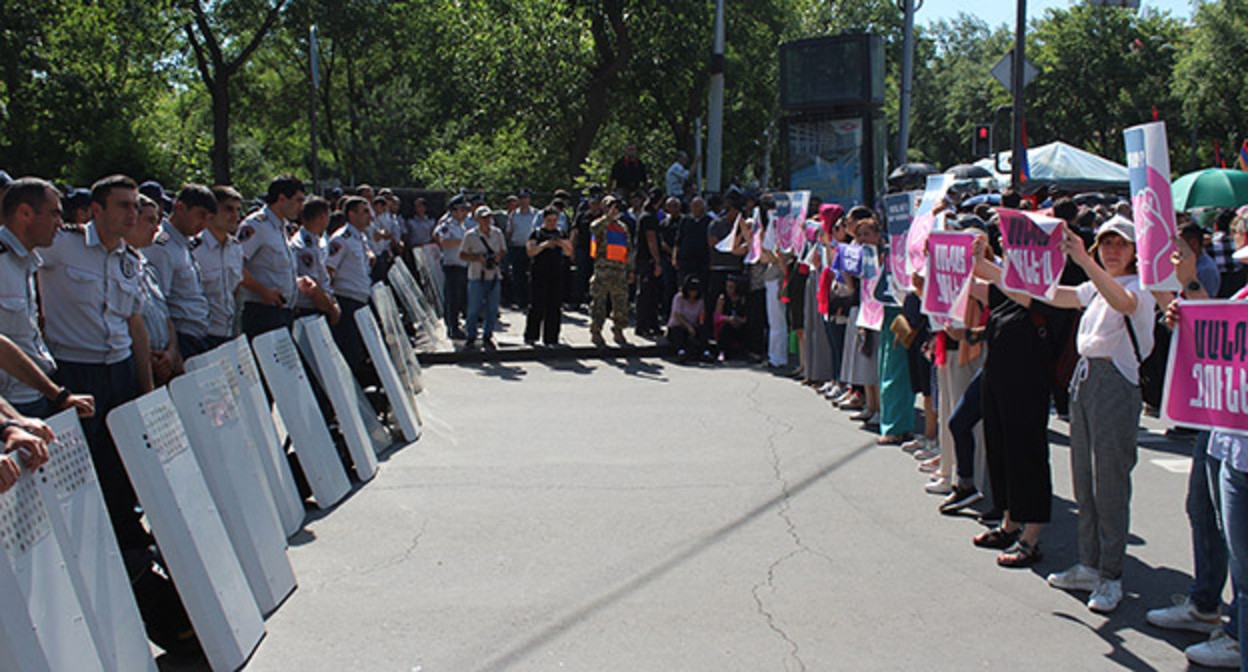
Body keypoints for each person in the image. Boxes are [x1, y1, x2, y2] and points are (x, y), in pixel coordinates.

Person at [40, 174, 197, 653]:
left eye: (136, 206)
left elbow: (135, 327)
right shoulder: (61, 248)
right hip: (75, 376)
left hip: (119, 375)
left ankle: (131, 566)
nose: (133, 214)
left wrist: (146, 394)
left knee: (121, 477)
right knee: (83, 486)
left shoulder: (132, 262)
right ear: (96, 210)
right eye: (124, 206)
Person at [1040, 216, 1154, 612]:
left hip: (1115, 386)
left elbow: (1123, 303)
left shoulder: (1140, 287)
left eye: (1120, 244)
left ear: (1136, 250)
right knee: (1083, 479)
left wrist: (1085, 262)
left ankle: (1112, 574)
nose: (1111, 250)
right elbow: (1059, 295)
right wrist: (1002, 268)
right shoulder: (1095, 285)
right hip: (1085, 381)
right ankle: (1089, 563)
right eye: (1105, 243)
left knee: (1110, 482)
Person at [970, 217, 1056, 569]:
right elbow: (980, 289)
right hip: (999, 375)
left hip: (1027, 379)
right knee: (1000, 446)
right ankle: (1010, 521)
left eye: (1013, 241)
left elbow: (1023, 294)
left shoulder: (1047, 282)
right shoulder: (1007, 279)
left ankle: (1031, 536)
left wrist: (985, 267)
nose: (1007, 246)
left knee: (1026, 451)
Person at [0, 177, 94, 417]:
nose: (61, 224)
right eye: (54, 214)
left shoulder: (27, 261)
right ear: (25, 214)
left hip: (35, 393)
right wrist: (57, 394)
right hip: (11, 406)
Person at [144, 184, 215, 358]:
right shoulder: (162, 246)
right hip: (181, 337)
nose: (204, 224)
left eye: (209, 218)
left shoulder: (183, 243)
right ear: (180, 207)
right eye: (200, 215)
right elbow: (160, 304)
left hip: (196, 335)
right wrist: (172, 350)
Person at [238, 175, 304, 337]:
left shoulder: (281, 227)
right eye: (298, 200)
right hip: (262, 311)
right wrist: (264, 291)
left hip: (284, 310)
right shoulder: (257, 225)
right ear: (282, 198)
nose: (301, 207)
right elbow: (235, 265)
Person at [129, 194, 182, 387]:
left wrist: (172, 352)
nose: (156, 228)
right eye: (150, 220)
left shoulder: (148, 268)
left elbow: (166, 318)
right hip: (138, 367)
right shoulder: (117, 268)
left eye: (157, 221)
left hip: (163, 362)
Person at [326, 197, 377, 381]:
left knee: (361, 351)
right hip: (347, 301)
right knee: (350, 351)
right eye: (364, 211)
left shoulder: (359, 237)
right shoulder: (342, 238)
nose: (369, 216)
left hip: (361, 300)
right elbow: (329, 270)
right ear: (351, 214)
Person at [190, 186, 245, 350]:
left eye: (238, 210)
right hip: (202, 336)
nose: (235, 216)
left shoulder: (235, 248)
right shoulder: (195, 249)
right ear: (211, 213)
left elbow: (235, 290)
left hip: (228, 334)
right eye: (228, 209)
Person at [588, 195, 633, 347]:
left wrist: (630, 270)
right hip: (602, 270)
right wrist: (607, 217)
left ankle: (619, 330)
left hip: (619, 271)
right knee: (598, 303)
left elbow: (628, 250)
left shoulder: (622, 227)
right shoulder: (600, 224)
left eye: (616, 207)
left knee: (621, 303)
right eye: (610, 206)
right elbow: (594, 229)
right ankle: (596, 331)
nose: (614, 210)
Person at [460, 205, 506, 350]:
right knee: (473, 308)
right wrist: (478, 258)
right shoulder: (470, 235)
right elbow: (462, 255)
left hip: (493, 275)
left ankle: (488, 335)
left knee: (492, 308)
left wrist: (497, 257)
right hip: (476, 275)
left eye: (488, 217)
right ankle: (471, 336)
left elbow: (503, 250)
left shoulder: (497, 233)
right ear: (477, 219)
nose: (486, 220)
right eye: (483, 218)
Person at [289, 195, 341, 325]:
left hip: (321, 305)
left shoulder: (317, 240)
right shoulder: (304, 246)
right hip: (310, 310)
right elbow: (314, 287)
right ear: (322, 216)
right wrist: (331, 309)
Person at [525, 206, 572, 346]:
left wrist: (561, 243)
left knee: (554, 307)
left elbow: (569, 252)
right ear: (544, 219)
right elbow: (530, 251)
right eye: (549, 220)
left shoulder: (561, 233)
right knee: (536, 305)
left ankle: (551, 337)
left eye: (554, 220)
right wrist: (544, 245)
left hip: (556, 273)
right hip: (539, 273)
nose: (552, 223)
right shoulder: (536, 233)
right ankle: (531, 336)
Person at [435, 194, 470, 339]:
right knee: (453, 299)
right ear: (454, 211)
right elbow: (442, 241)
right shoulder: (447, 225)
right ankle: (452, 328)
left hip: (463, 265)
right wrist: (462, 242)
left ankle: (456, 325)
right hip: (452, 265)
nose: (465, 213)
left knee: (461, 298)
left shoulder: (462, 226)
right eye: (462, 210)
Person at [633, 195, 665, 337]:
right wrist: (657, 261)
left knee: (652, 293)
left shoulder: (644, 215)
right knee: (646, 294)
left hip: (643, 259)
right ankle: (642, 325)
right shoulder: (649, 218)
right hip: (647, 260)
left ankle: (652, 324)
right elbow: (651, 239)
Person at [506, 189, 540, 310]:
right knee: (518, 275)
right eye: (521, 198)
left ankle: (533, 299)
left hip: (532, 247)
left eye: (526, 198)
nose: (524, 200)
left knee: (533, 274)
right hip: (518, 247)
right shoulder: (514, 215)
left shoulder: (536, 213)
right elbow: (509, 232)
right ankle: (521, 301)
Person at [569, 194, 602, 310]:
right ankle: (576, 301)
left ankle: (594, 302)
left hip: (598, 251)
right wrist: (571, 250)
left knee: (596, 277)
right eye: (593, 204)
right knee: (580, 276)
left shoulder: (603, 218)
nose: (595, 206)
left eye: (597, 204)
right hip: (582, 249)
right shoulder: (582, 216)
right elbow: (574, 233)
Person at [668, 275, 710, 362]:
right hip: (679, 325)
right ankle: (681, 352)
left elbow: (701, 315)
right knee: (678, 331)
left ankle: (705, 352)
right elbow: (677, 315)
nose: (693, 293)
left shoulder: (700, 301)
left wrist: (700, 324)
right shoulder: (679, 298)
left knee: (703, 330)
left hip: (693, 325)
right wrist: (688, 327)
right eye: (691, 290)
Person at [673, 196, 711, 290]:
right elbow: (678, 241)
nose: (696, 208)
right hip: (686, 261)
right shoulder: (685, 221)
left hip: (702, 261)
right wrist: (674, 257)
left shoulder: (708, 221)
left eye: (699, 206)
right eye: (694, 206)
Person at [714, 274, 749, 361]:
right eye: (727, 287)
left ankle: (747, 351)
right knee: (726, 328)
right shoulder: (722, 298)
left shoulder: (742, 299)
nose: (728, 289)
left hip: (738, 324)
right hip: (726, 324)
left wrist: (738, 319)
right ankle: (722, 352)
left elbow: (745, 317)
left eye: (731, 287)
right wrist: (729, 319)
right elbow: (717, 317)